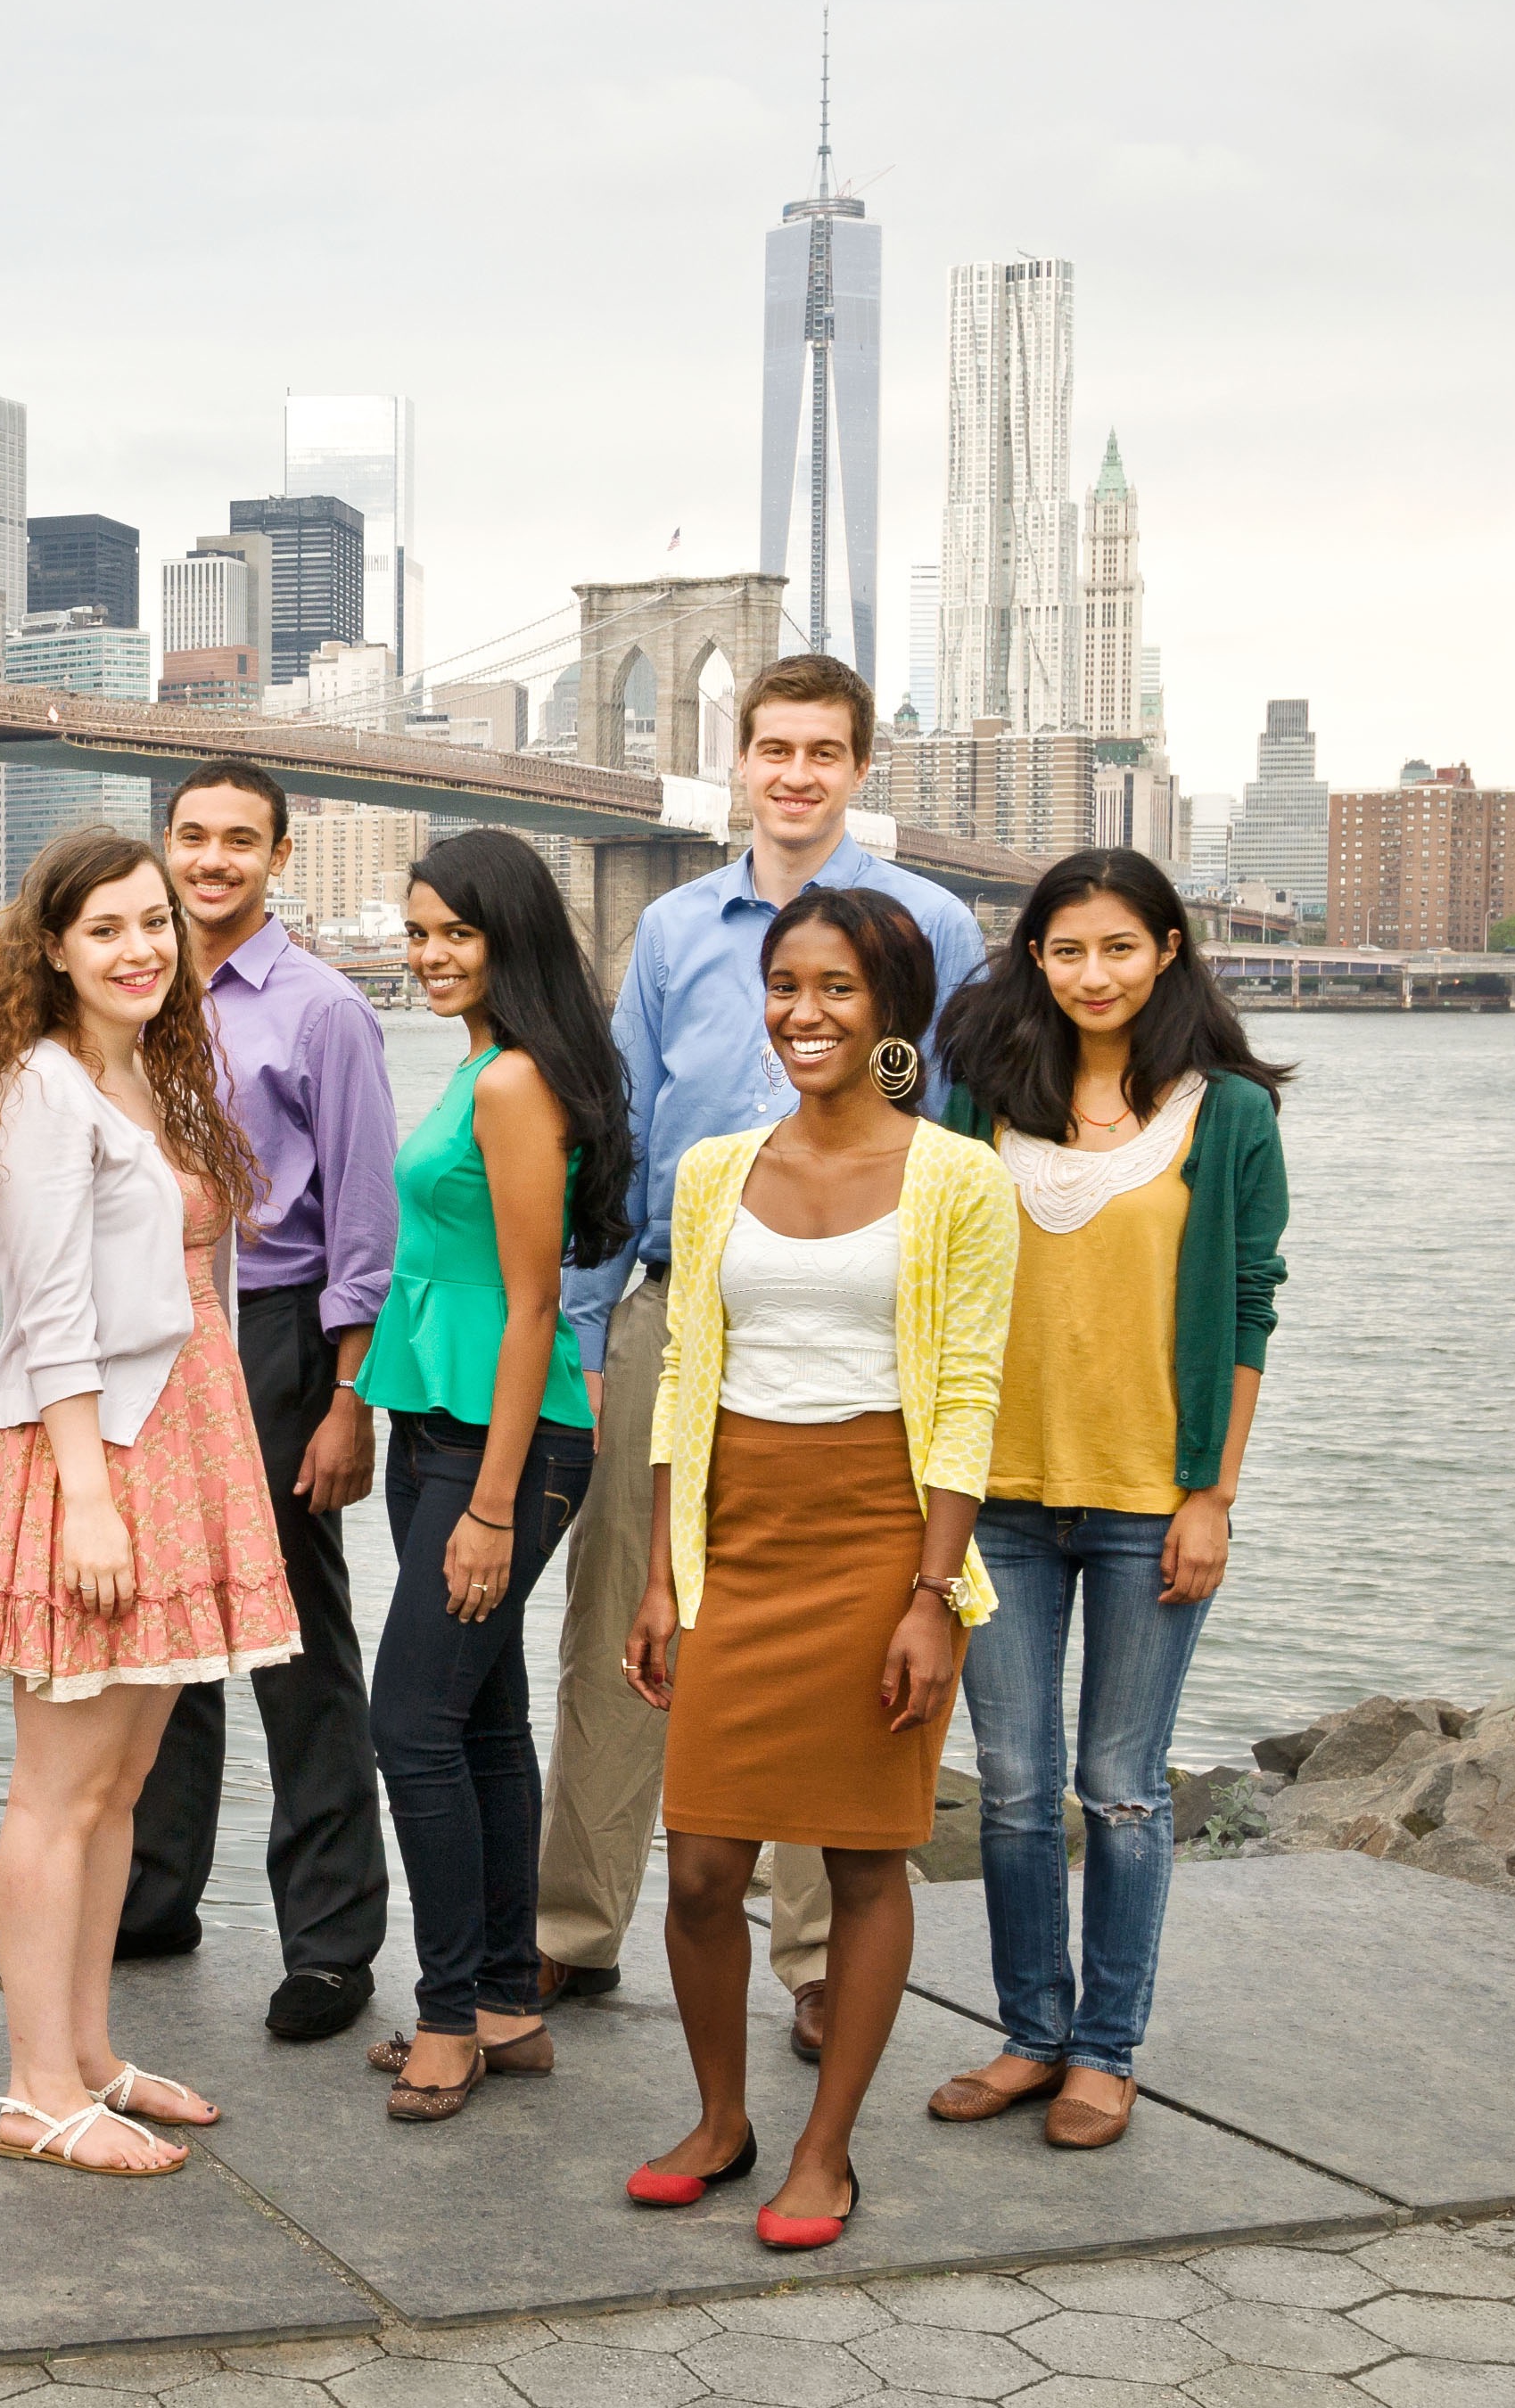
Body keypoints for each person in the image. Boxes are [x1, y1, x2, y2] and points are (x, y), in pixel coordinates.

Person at [545, 653, 986, 2062]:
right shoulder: (673, 929)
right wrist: (595, 1321)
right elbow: (620, 1124)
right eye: (772, 748)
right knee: (631, 1613)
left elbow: (956, 1106)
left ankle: (811, 1961)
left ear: (861, 770)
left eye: (823, 752)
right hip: (683, 1303)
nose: (795, 774)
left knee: (841, 1641)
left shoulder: (933, 923)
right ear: (738, 762)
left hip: (867, 1305)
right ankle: (572, 1929)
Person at [623, 885, 1015, 2248]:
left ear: (892, 1008)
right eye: (786, 985)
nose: (805, 1013)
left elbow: (967, 1392)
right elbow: (685, 1372)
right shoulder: (716, 1168)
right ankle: (722, 2121)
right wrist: (668, 1572)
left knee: (860, 1866)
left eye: (838, 988)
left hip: (876, 1538)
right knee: (699, 1870)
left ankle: (826, 2153)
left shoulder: (960, 1175)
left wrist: (931, 1594)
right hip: (737, 1533)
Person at [0, 827, 299, 2177]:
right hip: (97, 1451)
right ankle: (34, 2090)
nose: (141, 949)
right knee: (58, 1789)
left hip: (182, 1435)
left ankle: (86, 2052)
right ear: (54, 952)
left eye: (155, 925)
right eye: (107, 932)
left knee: (125, 1779)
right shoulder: (40, 1087)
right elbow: (48, 1306)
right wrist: (87, 1496)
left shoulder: (145, 1069)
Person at [926, 847, 1291, 2152]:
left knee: (1123, 1788)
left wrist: (1216, 1498)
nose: (1095, 974)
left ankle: (1107, 2051)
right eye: (1068, 950)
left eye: (1121, 948)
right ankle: (1032, 2033)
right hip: (1000, 1501)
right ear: (1035, 957)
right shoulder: (980, 1098)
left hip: (1151, 1499)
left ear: (1170, 952)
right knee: (1017, 1784)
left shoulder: (1230, 1112)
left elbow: (1250, 1308)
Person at [353, 833, 634, 2121]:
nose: (428, 957)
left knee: (408, 1722)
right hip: (441, 1419)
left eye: (454, 933)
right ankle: (511, 1997)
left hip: (499, 1442)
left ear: (510, 936)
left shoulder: (516, 1083)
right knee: (478, 1719)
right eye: (416, 934)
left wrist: (487, 1509)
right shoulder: (480, 1067)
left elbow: (533, 1309)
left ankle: (451, 2012)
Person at [121, 763, 402, 2042]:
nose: (213, 860)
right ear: (165, 847)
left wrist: (352, 1399)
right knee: (167, 1621)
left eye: (241, 840)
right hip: (155, 1327)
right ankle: (152, 1897)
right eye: (193, 837)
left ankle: (333, 1945)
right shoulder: (129, 987)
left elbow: (363, 1231)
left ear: (280, 856)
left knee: (295, 1642)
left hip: (284, 1333)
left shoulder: (324, 1010)